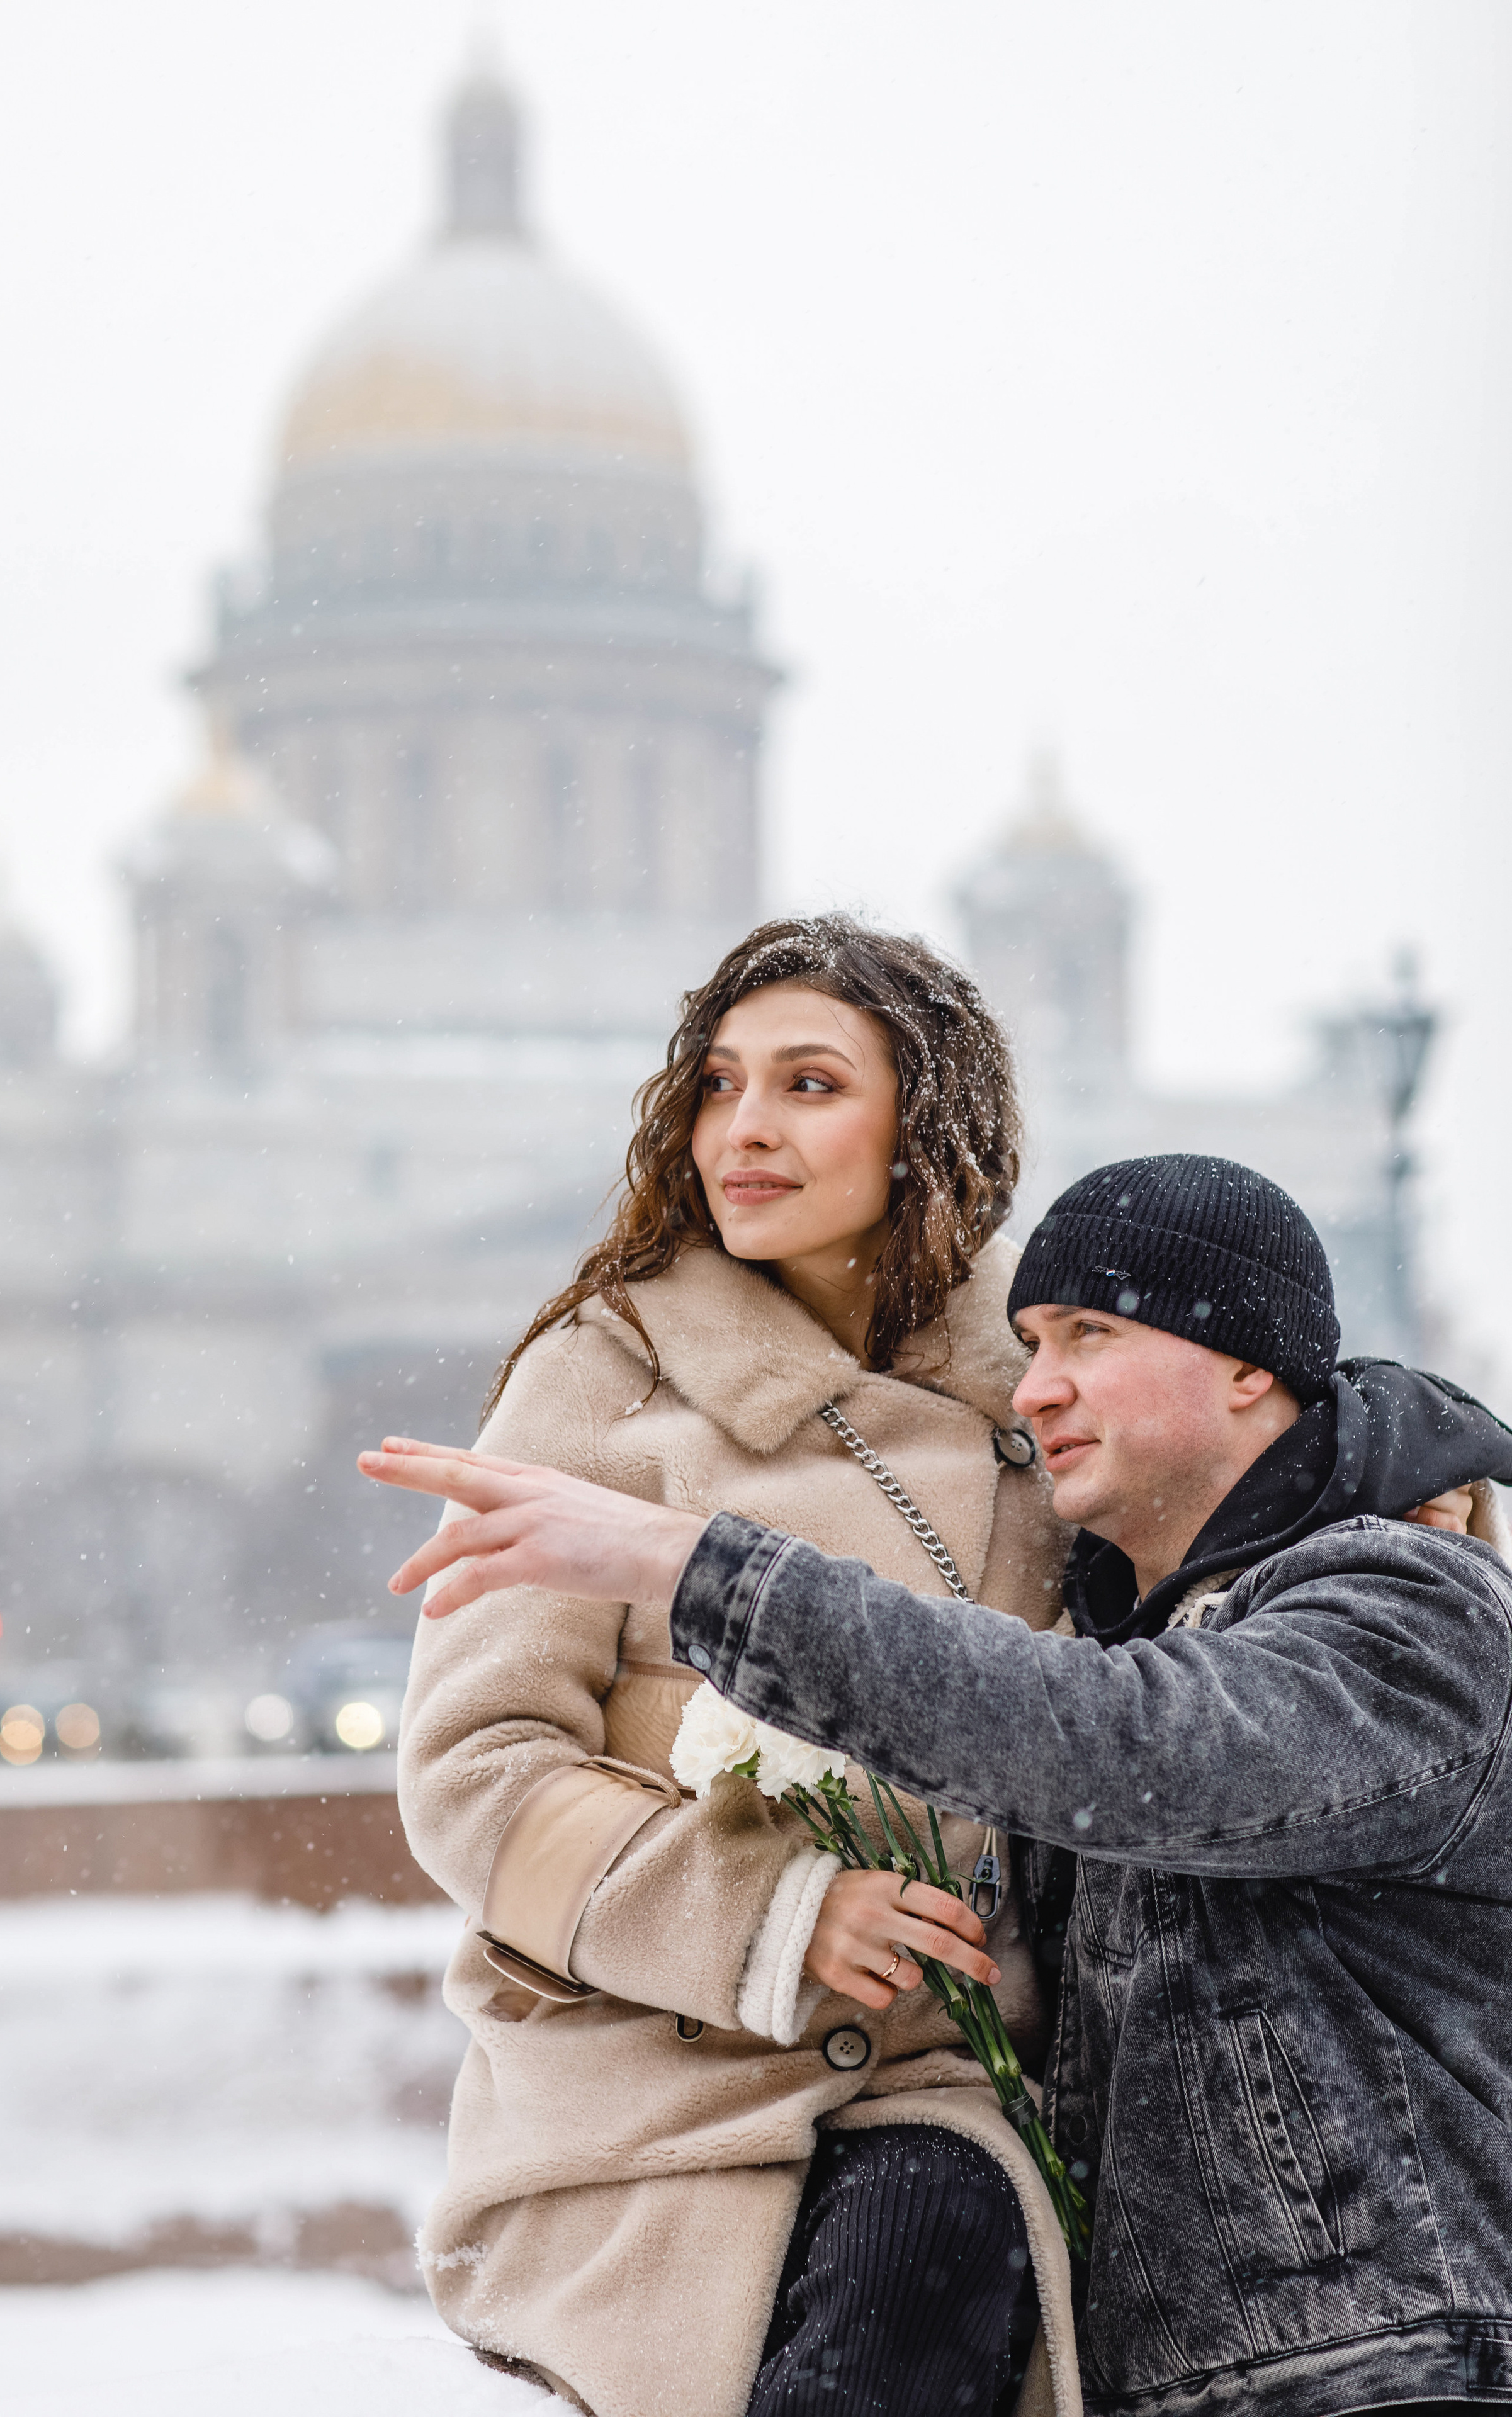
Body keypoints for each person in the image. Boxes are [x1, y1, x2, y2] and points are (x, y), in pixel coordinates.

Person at [374, 1154, 1512, 2417]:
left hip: (1392, 2369)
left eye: (1088, 1334)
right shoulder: (1143, 1631)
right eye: (1026, 1343)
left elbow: (1119, 1747)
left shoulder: (1407, 1609)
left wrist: (704, 1568)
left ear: (1249, 1366)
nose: (1038, 1388)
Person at [370, 916, 1085, 2417]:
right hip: (660, 2097)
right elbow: (471, 1766)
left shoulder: (1038, 1388)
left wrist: (1405, 1480)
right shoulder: (600, 1376)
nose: (742, 1131)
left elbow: (1236, 1498)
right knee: (920, 2246)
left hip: (949, 2083)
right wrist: (775, 1912)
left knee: (942, 2221)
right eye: (715, 1085)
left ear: (928, 1129)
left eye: (809, 1085)